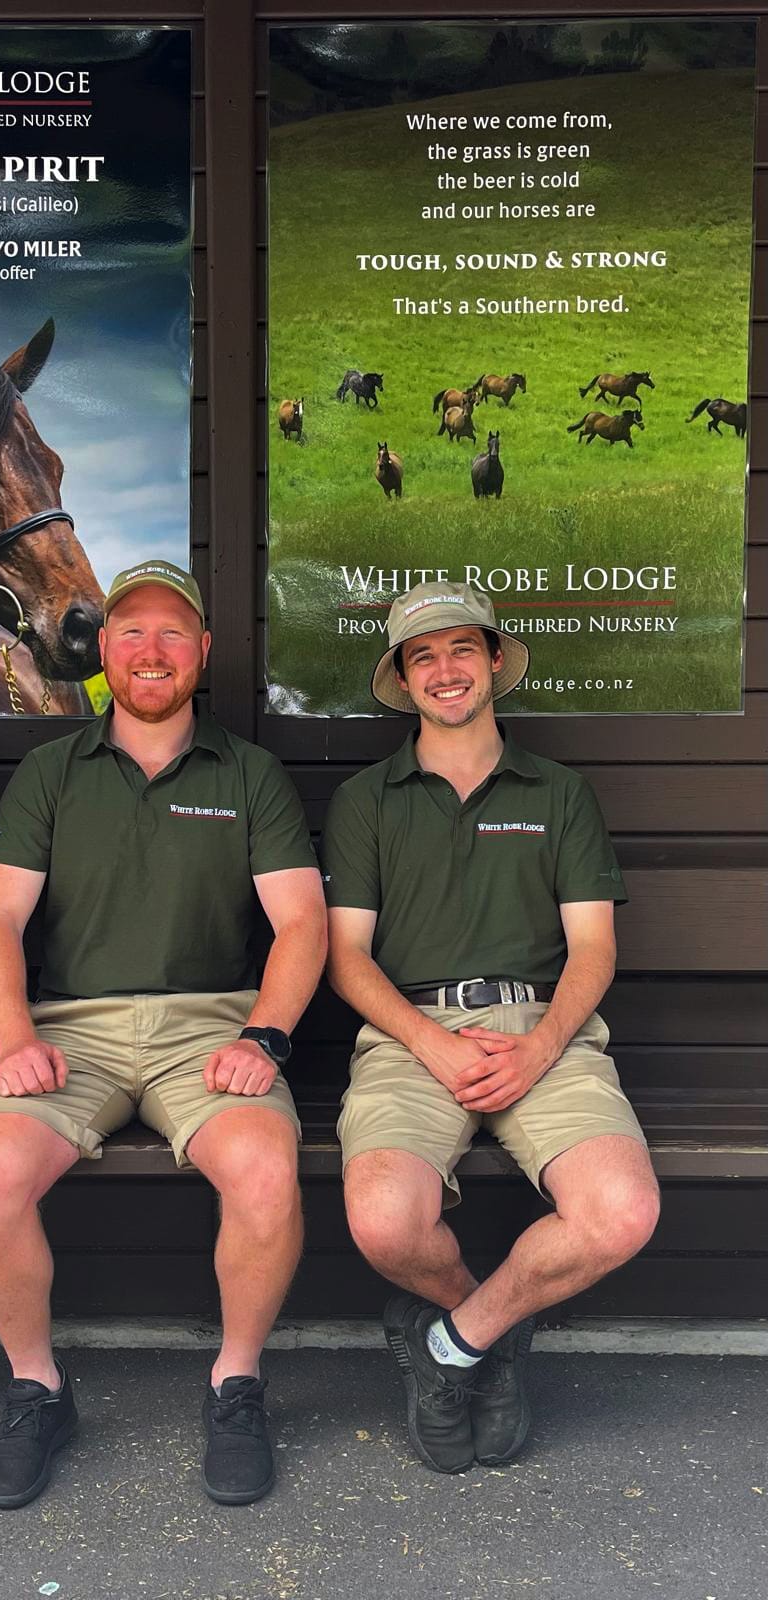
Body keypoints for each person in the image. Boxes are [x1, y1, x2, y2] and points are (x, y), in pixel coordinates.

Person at [0, 559, 326, 1509]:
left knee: (266, 1172)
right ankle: (36, 1390)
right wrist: (11, 1038)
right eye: (130, 632)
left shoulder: (249, 773)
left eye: (171, 632)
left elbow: (301, 923)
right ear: (105, 651)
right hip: (68, 1030)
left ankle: (236, 1383)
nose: (150, 650)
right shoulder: (51, 772)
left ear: (202, 650)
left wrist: (265, 1037)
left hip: (209, 1027)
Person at [321, 581, 660, 1474]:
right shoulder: (366, 799)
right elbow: (346, 957)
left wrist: (541, 1045)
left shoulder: (559, 791)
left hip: (545, 1027)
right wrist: (429, 1042)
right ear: (402, 677)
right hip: (412, 1031)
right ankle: (496, 1342)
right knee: (384, 1223)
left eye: (462, 648)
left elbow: (594, 948)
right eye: (422, 655)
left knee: (621, 1213)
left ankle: (452, 1346)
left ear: (496, 660)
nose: (445, 669)